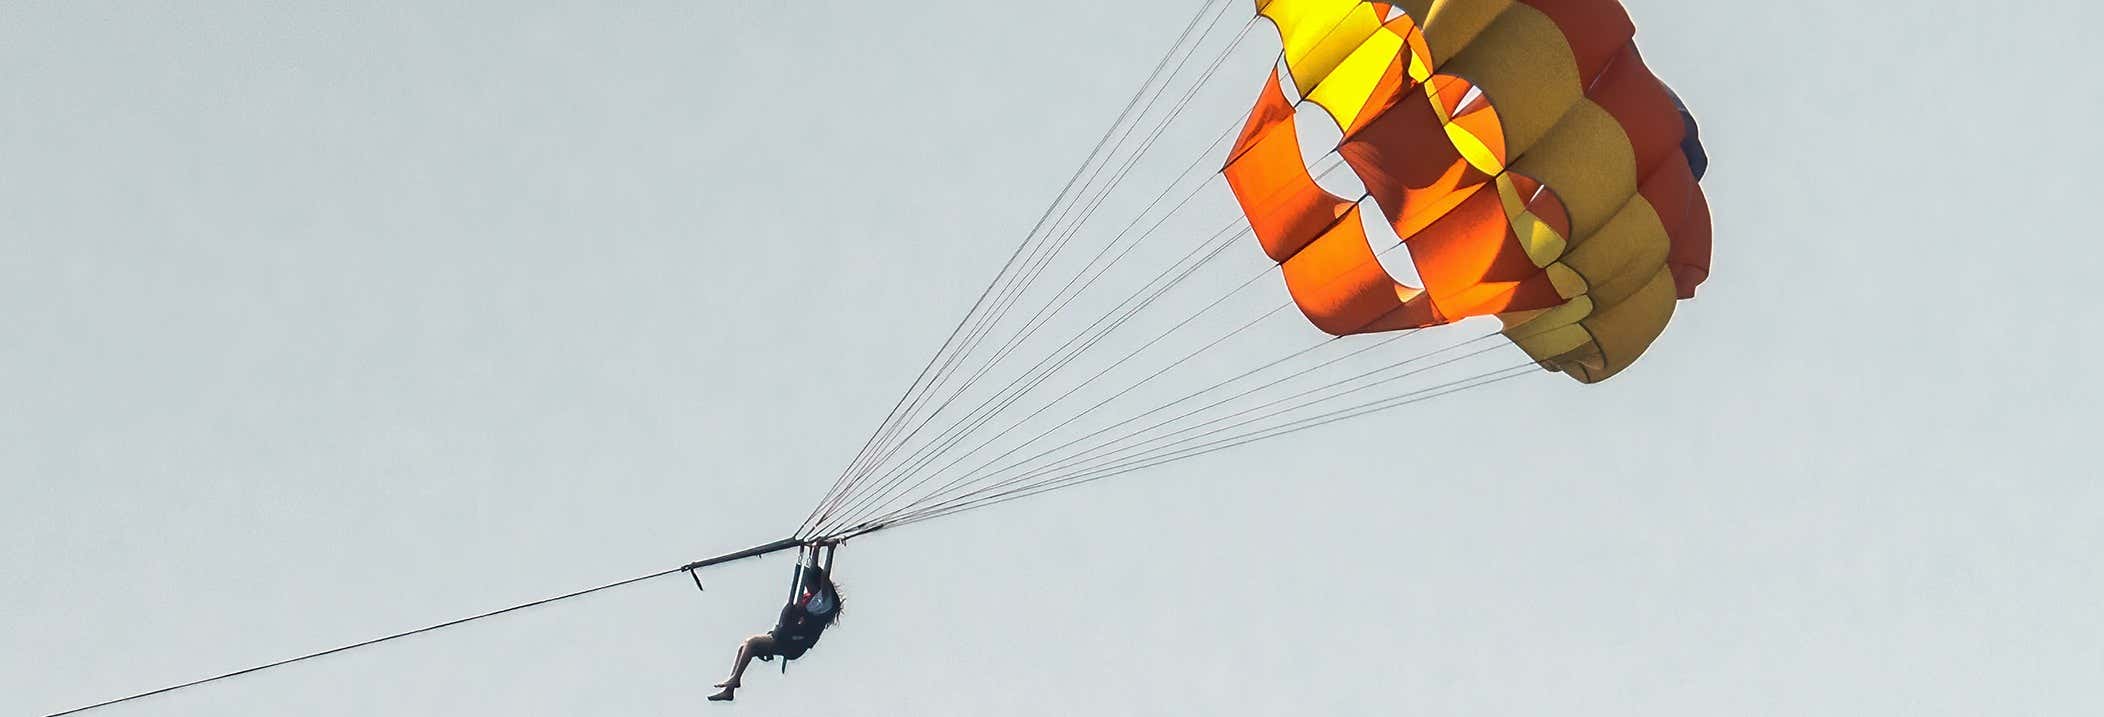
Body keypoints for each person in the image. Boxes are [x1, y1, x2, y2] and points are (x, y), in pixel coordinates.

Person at [707, 564, 842, 702]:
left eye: (808, 585)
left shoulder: (824, 600)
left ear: (817, 584)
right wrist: (814, 549)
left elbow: (824, 575)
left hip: (794, 643)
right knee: (745, 648)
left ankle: (735, 679)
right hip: (787, 637)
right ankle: (729, 690)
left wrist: (830, 551)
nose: (807, 588)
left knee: (751, 643)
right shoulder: (812, 596)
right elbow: (813, 567)